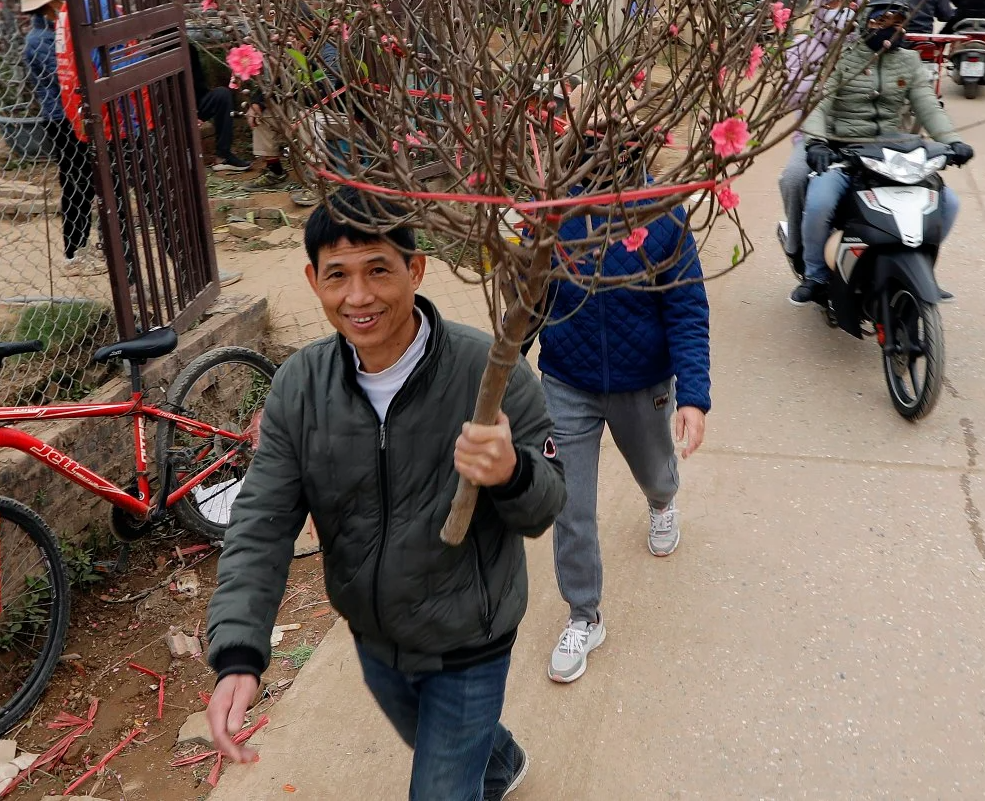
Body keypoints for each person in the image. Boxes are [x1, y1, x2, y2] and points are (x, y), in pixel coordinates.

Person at [206, 191, 564, 799]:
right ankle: (498, 761)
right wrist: (239, 652)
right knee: (443, 739)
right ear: (313, 280)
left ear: (415, 270)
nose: (359, 296)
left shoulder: (489, 374)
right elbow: (261, 522)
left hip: (467, 641)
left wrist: (511, 470)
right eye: (338, 275)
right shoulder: (300, 386)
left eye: (378, 270)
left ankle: (478, 755)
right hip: (375, 637)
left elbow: (546, 506)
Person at [534, 192, 709, 684]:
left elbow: (687, 310)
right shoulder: (551, 210)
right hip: (567, 382)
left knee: (656, 474)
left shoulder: (665, 215)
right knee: (569, 505)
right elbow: (529, 302)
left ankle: (662, 502)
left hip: (644, 383)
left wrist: (693, 396)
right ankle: (584, 616)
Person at [780, 0, 974, 306]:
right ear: (864, 21)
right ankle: (815, 274)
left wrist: (953, 141)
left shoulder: (909, 61)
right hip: (840, 146)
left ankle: (919, 270)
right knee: (818, 202)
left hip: (891, 149)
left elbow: (927, 104)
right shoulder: (841, 57)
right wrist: (816, 142)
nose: (890, 27)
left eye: (898, 20)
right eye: (881, 19)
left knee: (948, 203)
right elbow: (820, 103)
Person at [18, 0, 102, 277]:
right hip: (63, 120)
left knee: (88, 182)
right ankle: (74, 253)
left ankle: (83, 247)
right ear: (51, 3)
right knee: (76, 183)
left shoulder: (55, 31)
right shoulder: (39, 40)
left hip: (75, 115)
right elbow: (66, 75)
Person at [783, 0, 857, 110]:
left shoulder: (859, 48)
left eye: (845, 1)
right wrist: (822, 80)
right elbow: (789, 98)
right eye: (834, 0)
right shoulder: (801, 46)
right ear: (820, 1)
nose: (840, 9)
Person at [189, 40, 250, 172]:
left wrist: (196, 111)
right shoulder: (154, 53)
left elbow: (199, 87)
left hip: (195, 104)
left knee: (222, 95)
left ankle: (223, 155)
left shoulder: (189, 49)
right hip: (172, 110)